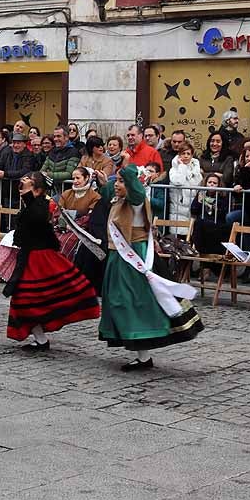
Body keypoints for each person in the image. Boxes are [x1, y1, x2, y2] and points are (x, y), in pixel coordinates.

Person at [98, 165, 203, 371]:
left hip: (134, 255)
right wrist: (105, 182)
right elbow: (107, 192)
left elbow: (135, 192)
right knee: (119, 299)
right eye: (116, 180)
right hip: (119, 256)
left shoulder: (136, 201)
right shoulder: (119, 200)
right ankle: (139, 351)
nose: (116, 185)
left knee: (134, 301)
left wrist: (128, 169)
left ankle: (143, 354)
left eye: (120, 181)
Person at [3, 172, 100, 350]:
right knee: (24, 299)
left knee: (28, 298)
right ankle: (40, 340)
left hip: (40, 258)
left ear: (37, 189)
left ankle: (41, 339)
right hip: (31, 256)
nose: (22, 182)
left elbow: (39, 219)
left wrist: (30, 198)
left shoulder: (40, 205)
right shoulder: (31, 204)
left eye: (28, 182)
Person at [57, 167, 101, 257]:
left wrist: (73, 226)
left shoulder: (95, 196)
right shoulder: (66, 193)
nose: (75, 181)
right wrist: (63, 224)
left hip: (81, 230)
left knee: (65, 242)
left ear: (87, 178)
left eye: (78, 178)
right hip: (63, 226)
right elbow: (58, 212)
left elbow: (90, 217)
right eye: (73, 178)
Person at [167, 141, 201, 234]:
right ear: (179, 155)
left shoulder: (196, 169)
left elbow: (198, 183)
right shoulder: (174, 169)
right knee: (177, 236)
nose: (186, 156)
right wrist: (182, 166)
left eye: (188, 154)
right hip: (177, 206)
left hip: (191, 207)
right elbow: (178, 181)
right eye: (183, 153)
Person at [40, 126, 80, 195]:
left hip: (67, 192)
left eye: (58, 136)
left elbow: (69, 174)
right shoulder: (52, 151)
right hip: (52, 191)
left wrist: (49, 174)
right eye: (54, 136)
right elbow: (42, 171)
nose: (55, 139)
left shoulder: (74, 152)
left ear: (66, 137)